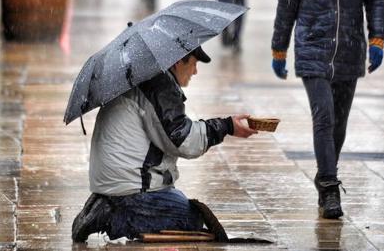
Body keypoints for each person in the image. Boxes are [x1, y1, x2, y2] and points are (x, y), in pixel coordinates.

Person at [270, 0, 384, 219]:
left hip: (350, 46)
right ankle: (330, 187)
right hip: (312, 44)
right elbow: (287, 1)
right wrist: (280, 47)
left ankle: (325, 175)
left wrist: (377, 38)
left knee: (339, 123)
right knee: (323, 116)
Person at [71, 46, 258, 242]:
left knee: (179, 202)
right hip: (131, 189)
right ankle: (114, 216)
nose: (195, 71)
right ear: (178, 61)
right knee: (191, 219)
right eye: (194, 64)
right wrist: (226, 126)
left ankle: (108, 205)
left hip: (116, 182)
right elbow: (183, 141)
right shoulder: (159, 86)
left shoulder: (140, 78)